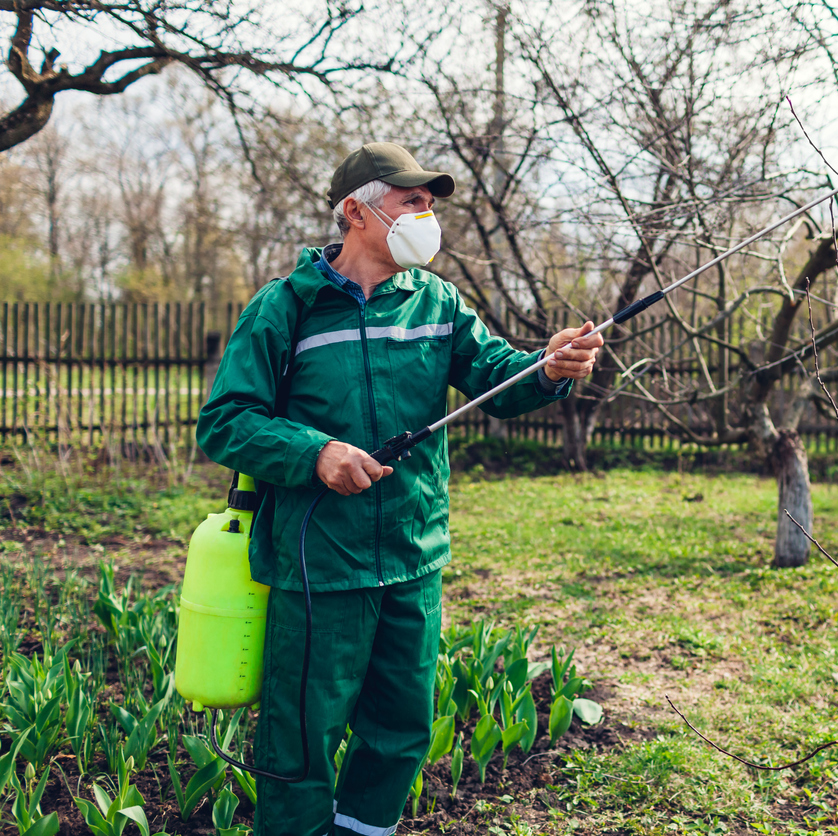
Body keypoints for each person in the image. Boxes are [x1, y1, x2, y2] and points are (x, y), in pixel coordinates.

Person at [196, 141, 603, 836]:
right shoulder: (285, 308)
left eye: (430, 203)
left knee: (400, 728)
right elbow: (226, 423)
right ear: (356, 211)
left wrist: (549, 365)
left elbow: (496, 379)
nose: (427, 214)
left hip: (413, 556)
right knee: (300, 739)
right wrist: (315, 451)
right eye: (410, 201)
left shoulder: (439, 302)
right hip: (317, 562)